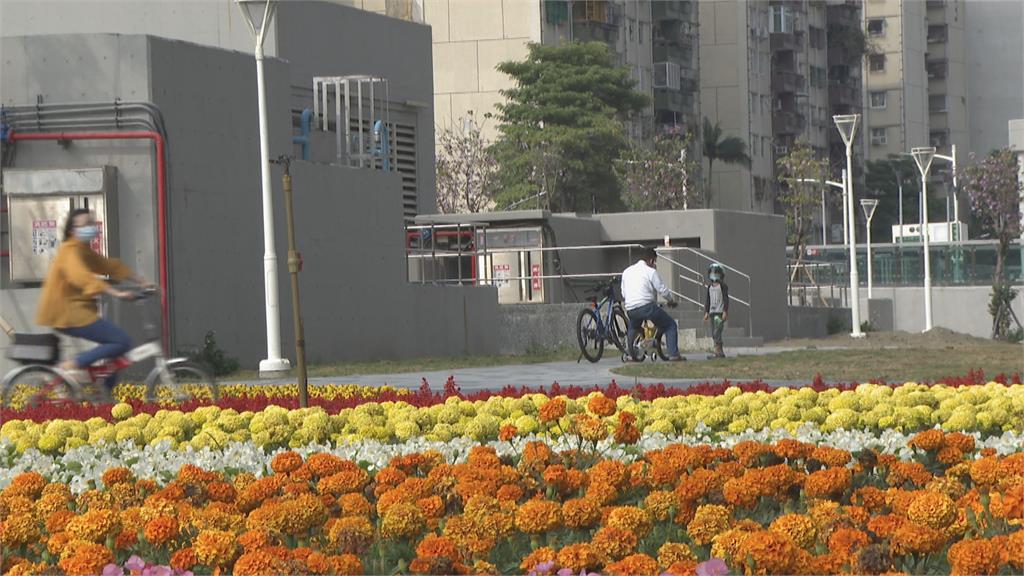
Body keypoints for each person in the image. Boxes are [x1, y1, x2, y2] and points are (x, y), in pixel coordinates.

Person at [35, 209, 149, 395]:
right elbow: (81, 276)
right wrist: (115, 293)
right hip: (66, 313)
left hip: (76, 311)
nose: (91, 227)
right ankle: (71, 365)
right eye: (85, 224)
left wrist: (141, 280)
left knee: (116, 349)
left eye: (92, 223)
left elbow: (110, 266)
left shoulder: (83, 250)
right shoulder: (69, 250)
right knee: (121, 341)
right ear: (73, 230)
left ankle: (103, 393)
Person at [621, 247, 684, 362]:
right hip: (647, 307)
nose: (655, 264)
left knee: (633, 328)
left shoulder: (627, 271)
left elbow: (623, 292)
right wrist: (670, 300)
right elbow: (662, 289)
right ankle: (674, 354)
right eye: (655, 261)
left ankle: (631, 354)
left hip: (631, 308)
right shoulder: (650, 271)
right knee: (670, 325)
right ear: (651, 260)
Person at [703, 262, 729, 359]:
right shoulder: (710, 287)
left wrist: (725, 311)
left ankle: (718, 351)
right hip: (712, 313)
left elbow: (726, 299)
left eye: (716, 273)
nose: (714, 275)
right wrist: (706, 312)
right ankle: (719, 352)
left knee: (717, 332)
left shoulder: (723, 287)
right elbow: (708, 300)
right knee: (713, 332)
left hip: (719, 313)